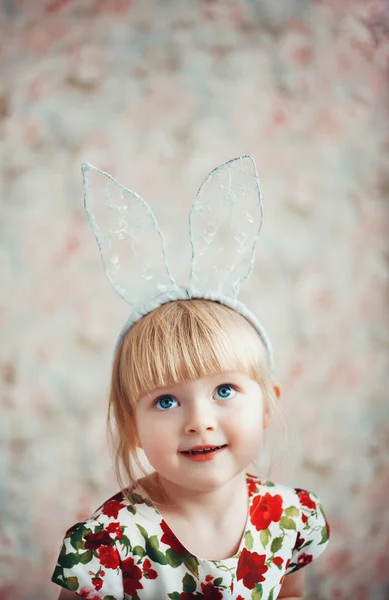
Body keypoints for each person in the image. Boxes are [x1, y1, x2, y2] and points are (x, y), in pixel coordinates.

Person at [52, 157, 330, 600]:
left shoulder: (290, 518)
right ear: (131, 426)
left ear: (268, 405)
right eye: (165, 400)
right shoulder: (107, 546)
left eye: (224, 390)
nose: (199, 421)